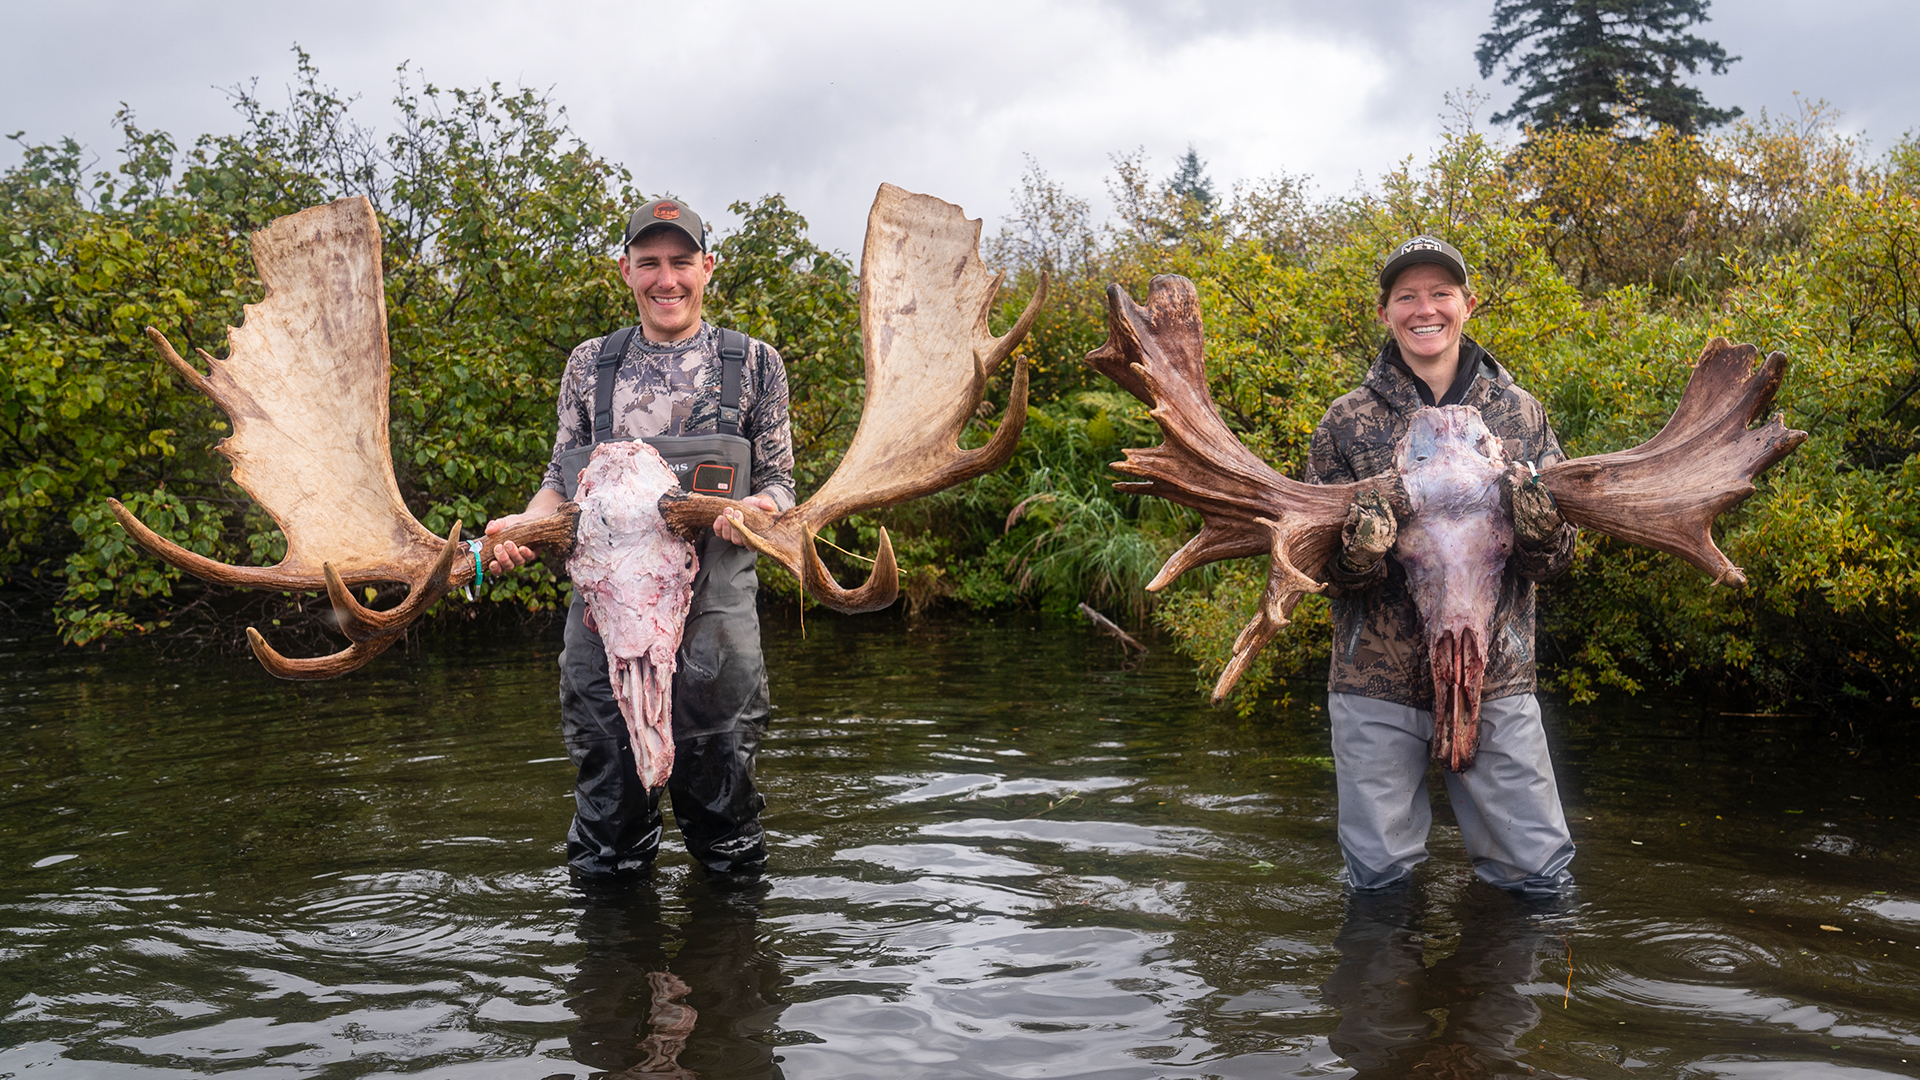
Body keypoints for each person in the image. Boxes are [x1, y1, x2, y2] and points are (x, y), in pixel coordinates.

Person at [486, 197, 794, 881]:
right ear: (625, 271)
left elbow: (781, 489)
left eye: (681, 262)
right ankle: (614, 981)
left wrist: (745, 513)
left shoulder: (752, 364)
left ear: (707, 267)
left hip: (715, 633)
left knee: (727, 837)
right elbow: (558, 481)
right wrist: (521, 527)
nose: (667, 279)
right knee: (607, 841)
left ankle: (726, 977)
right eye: (649, 263)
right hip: (605, 634)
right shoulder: (591, 364)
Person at [1306, 235, 1577, 895]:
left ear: (1467, 304)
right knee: (1379, 881)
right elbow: (1316, 567)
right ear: (1385, 312)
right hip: (1375, 681)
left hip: (1500, 680)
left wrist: (1542, 529)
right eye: (1407, 297)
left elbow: (1559, 557)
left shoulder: (1521, 414)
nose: (1424, 309)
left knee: (1536, 875)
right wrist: (1360, 552)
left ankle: (1505, 992)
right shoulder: (1345, 423)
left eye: (1440, 293)